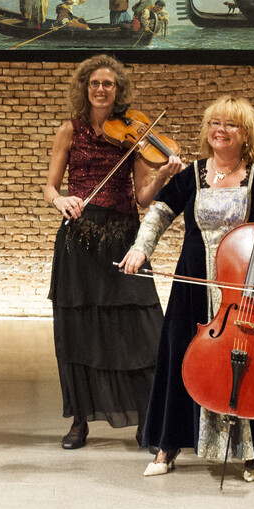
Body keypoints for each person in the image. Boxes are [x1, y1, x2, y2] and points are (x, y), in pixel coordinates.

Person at [119, 95, 254, 482]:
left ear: (246, 134)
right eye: (214, 123)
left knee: (252, 361)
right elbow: (158, 212)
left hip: (248, 289)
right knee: (179, 358)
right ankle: (168, 445)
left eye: (230, 125)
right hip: (195, 284)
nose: (220, 131)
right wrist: (140, 249)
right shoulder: (192, 173)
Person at [44, 55, 184, 450]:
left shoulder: (135, 137)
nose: (101, 90)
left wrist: (163, 174)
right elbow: (51, 187)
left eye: (108, 84)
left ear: (118, 90)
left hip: (123, 236)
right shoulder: (68, 131)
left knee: (141, 331)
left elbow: (141, 197)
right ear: (85, 88)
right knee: (79, 331)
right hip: (79, 239)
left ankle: (146, 418)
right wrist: (61, 202)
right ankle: (79, 421)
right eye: (94, 83)